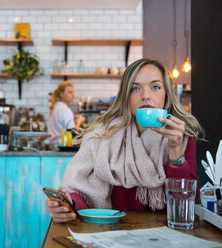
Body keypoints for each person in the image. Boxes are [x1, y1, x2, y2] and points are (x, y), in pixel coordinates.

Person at [45, 58, 204, 223]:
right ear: (125, 96)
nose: (146, 96)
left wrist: (176, 150)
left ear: (167, 94)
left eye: (155, 87)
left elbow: (186, 201)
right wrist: (67, 206)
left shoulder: (181, 136)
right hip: (113, 231)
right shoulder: (102, 134)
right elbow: (82, 193)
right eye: (135, 88)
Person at [48, 81, 85, 145]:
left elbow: (61, 126)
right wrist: (79, 121)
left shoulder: (54, 107)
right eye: (70, 92)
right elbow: (72, 133)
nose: (73, 95)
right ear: (61, 94)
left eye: (73, 92)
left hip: (54, 145)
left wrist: (73, 119)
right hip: (64, 146)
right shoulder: (65, 110)